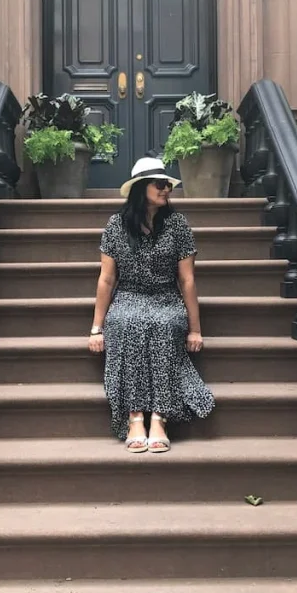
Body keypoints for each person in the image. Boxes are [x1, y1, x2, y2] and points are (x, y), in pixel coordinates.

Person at [88, 157, 215, 452]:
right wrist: (96, 328)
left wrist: (195, 330)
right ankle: (135, 417)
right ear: (141, 188)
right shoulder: (116, 225)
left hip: (166, 296)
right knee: (124, 322)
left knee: (162, 324)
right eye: (160, 184)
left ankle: (159, 416)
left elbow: (187, 281)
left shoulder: (178, 225)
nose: (166, 189)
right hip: (129, 294)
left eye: (168, 184)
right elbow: (106, 280)